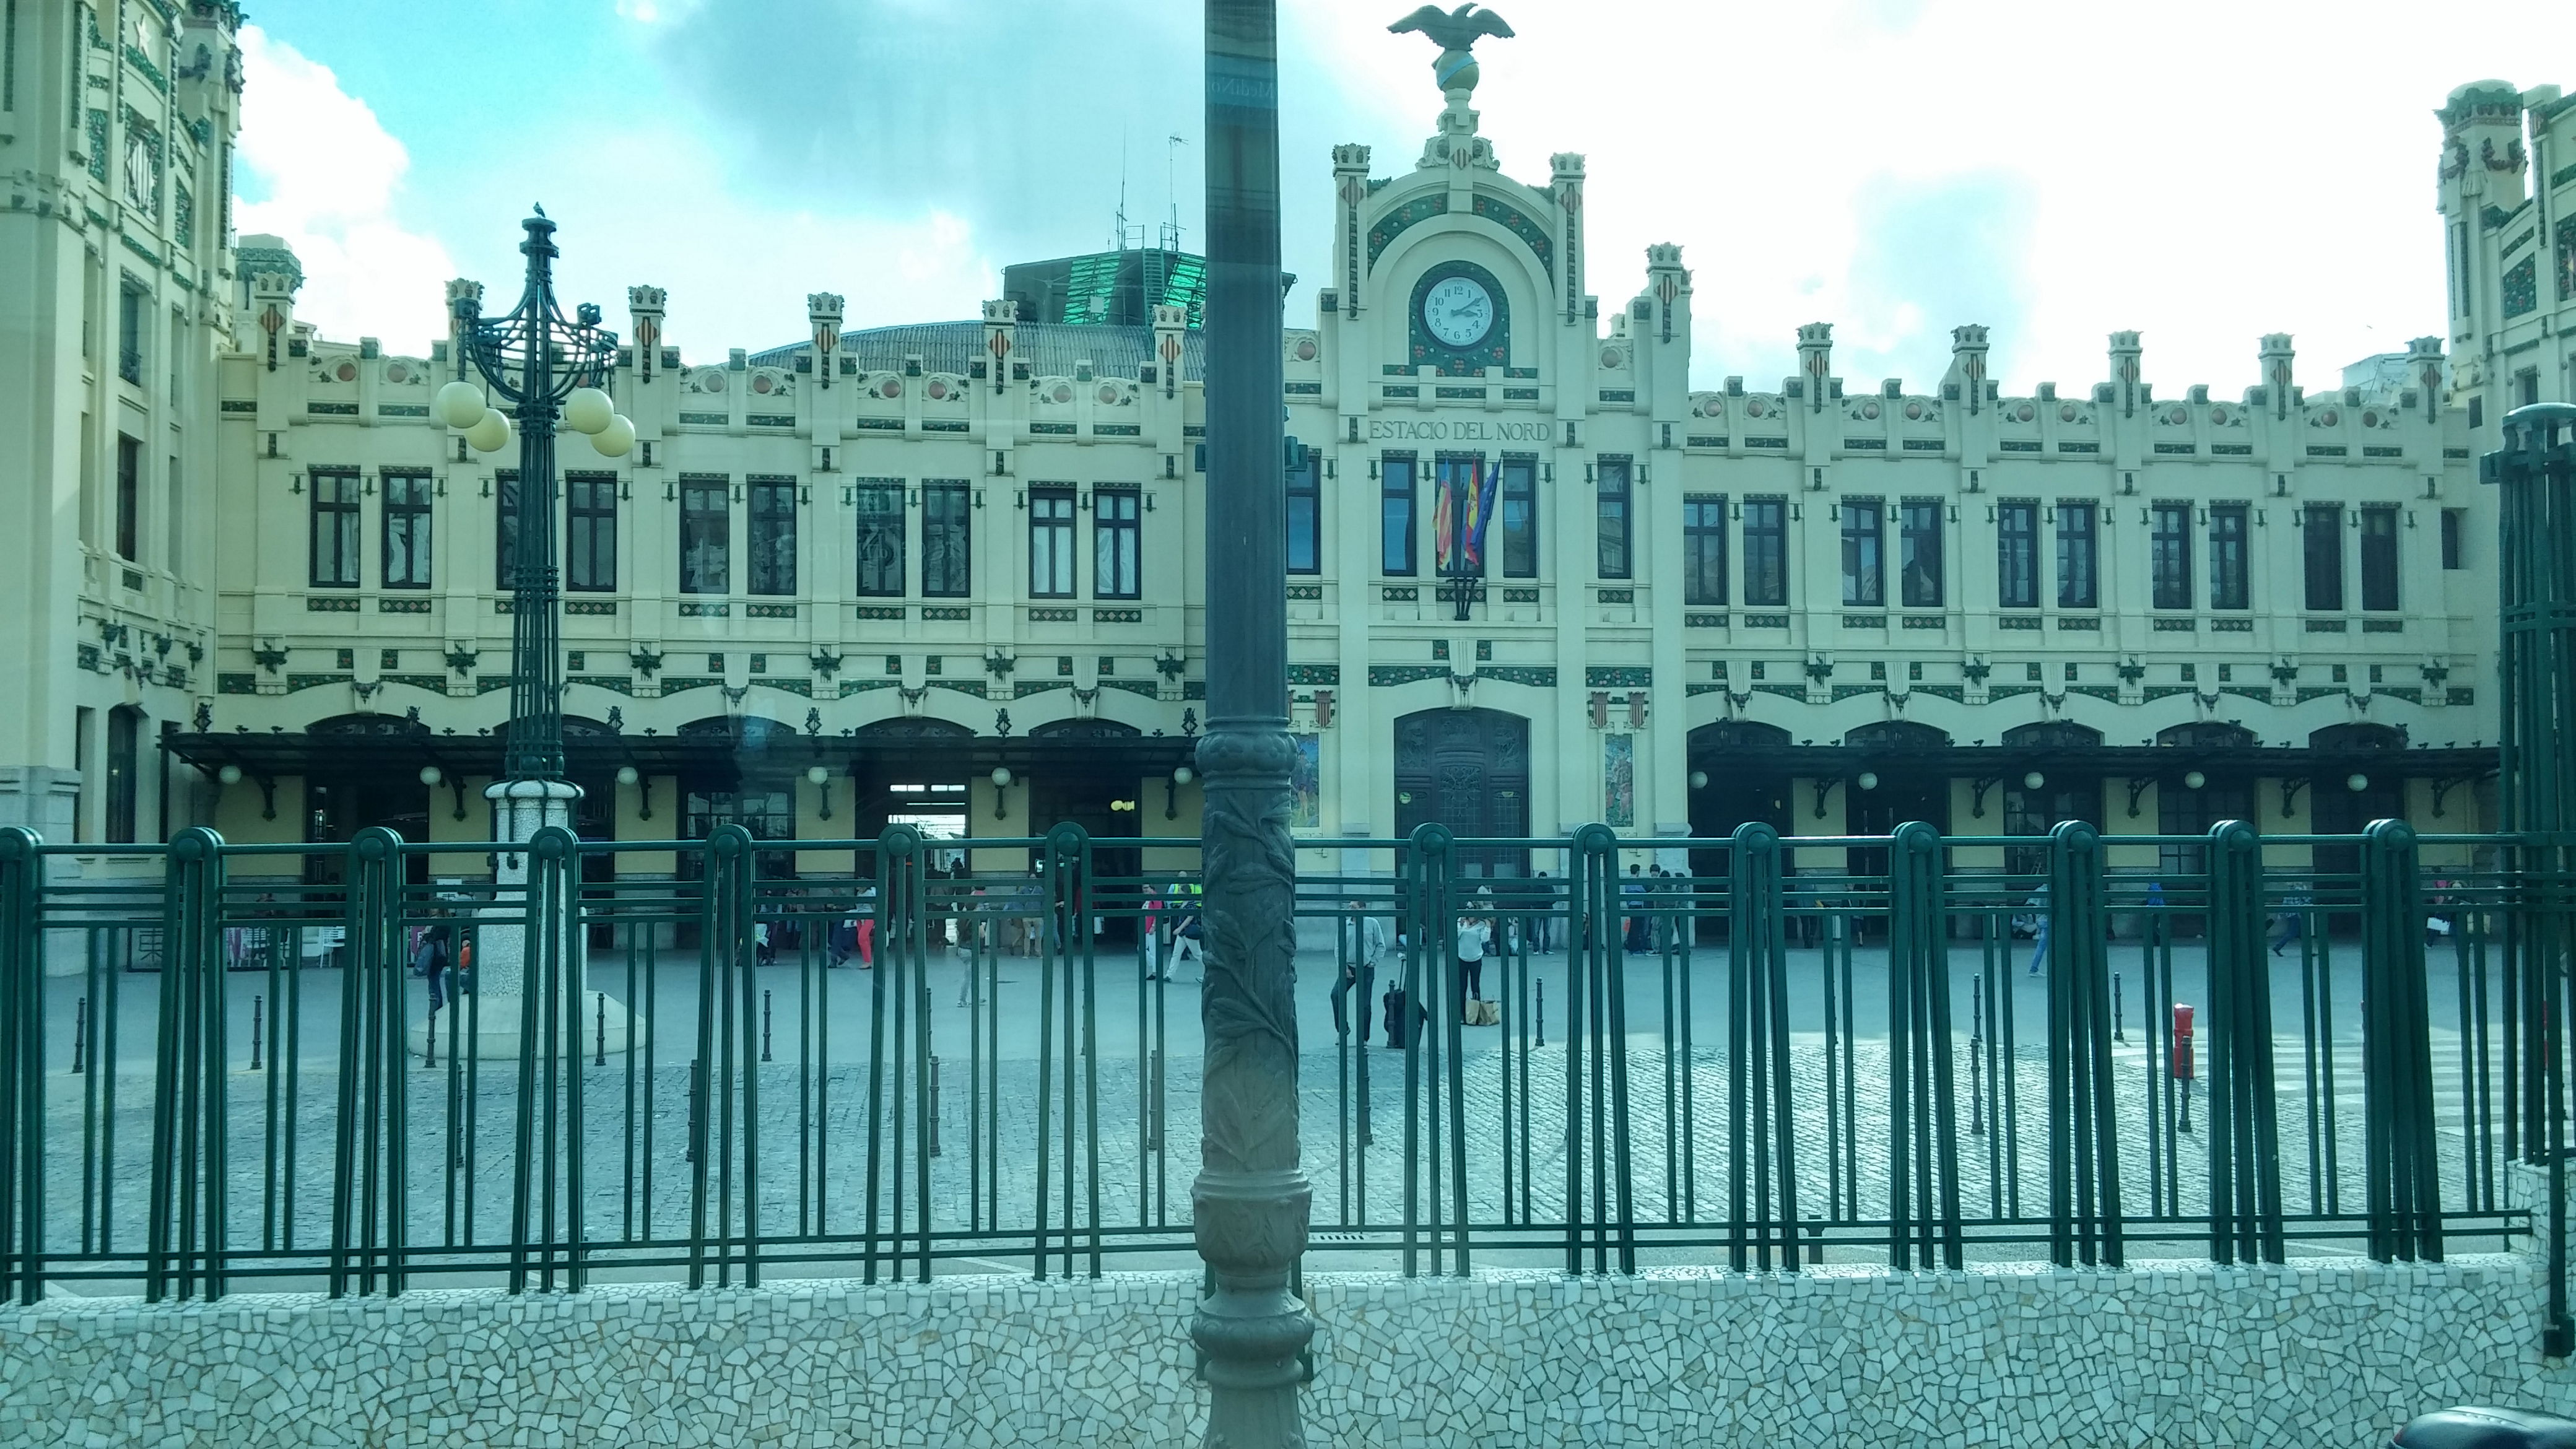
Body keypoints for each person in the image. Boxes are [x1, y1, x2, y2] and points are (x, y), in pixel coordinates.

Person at [1331, 901, 1386, 1043]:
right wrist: (1343, 967)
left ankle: (1364, 1038)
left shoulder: (1372, 923)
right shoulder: (1345, 924)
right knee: (1336, 995)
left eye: (1354, 907)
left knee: (1365, 1004)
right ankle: (1343, 1029)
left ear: (1363, 909)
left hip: (1366, 968)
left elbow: (1381, 945)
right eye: (1349, 907)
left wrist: (1372, 962)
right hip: (1348, 968)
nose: (1350, 910)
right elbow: (1339, 947)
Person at [1455, 908, 1491, 1017]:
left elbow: (1485, 939)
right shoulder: (1460, 921)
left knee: (1475, 985)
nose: (1468, 911)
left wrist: (1488, 926)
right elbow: (1456, 936)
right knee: (1462, 986)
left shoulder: (1480, 925)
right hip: (1462, 958)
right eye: (1467, 908)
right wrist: (1461, 926)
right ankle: (1461, 1013)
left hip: (1476, 958)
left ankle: (1476, 1013)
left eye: (1471, 908)